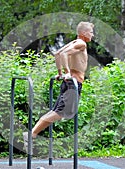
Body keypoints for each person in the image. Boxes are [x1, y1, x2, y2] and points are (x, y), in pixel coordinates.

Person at [23, 21, 94, 152]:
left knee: (58, 112)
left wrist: (60, 73)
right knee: (61, 113)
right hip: (74, 83)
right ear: (83, 33)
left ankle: (31, 134)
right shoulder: (81, 43)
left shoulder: (73, 43)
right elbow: (63, 55)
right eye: (91, 32)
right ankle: (31, 134)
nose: (92, 35)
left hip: (69, 83)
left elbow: (58, 54)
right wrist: (67, 73)